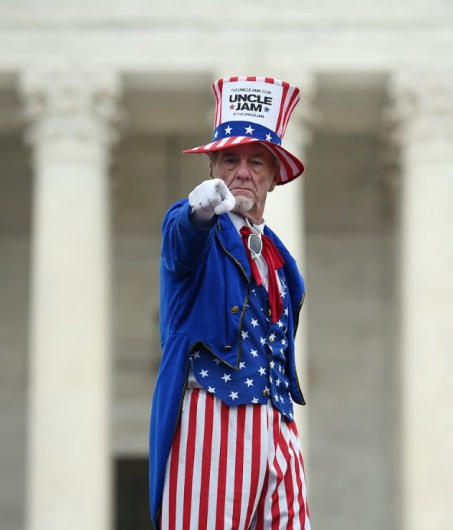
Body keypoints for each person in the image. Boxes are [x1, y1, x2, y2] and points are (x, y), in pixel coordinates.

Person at [149, 76, 311, 530]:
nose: (242, 171)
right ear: (213, 170)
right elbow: (180, 244)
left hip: (277, 420)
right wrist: (196, 213)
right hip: (212, 419)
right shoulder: (199, 228)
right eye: (229, 160)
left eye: (256, 162)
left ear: (274, 177)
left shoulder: (281, 257)